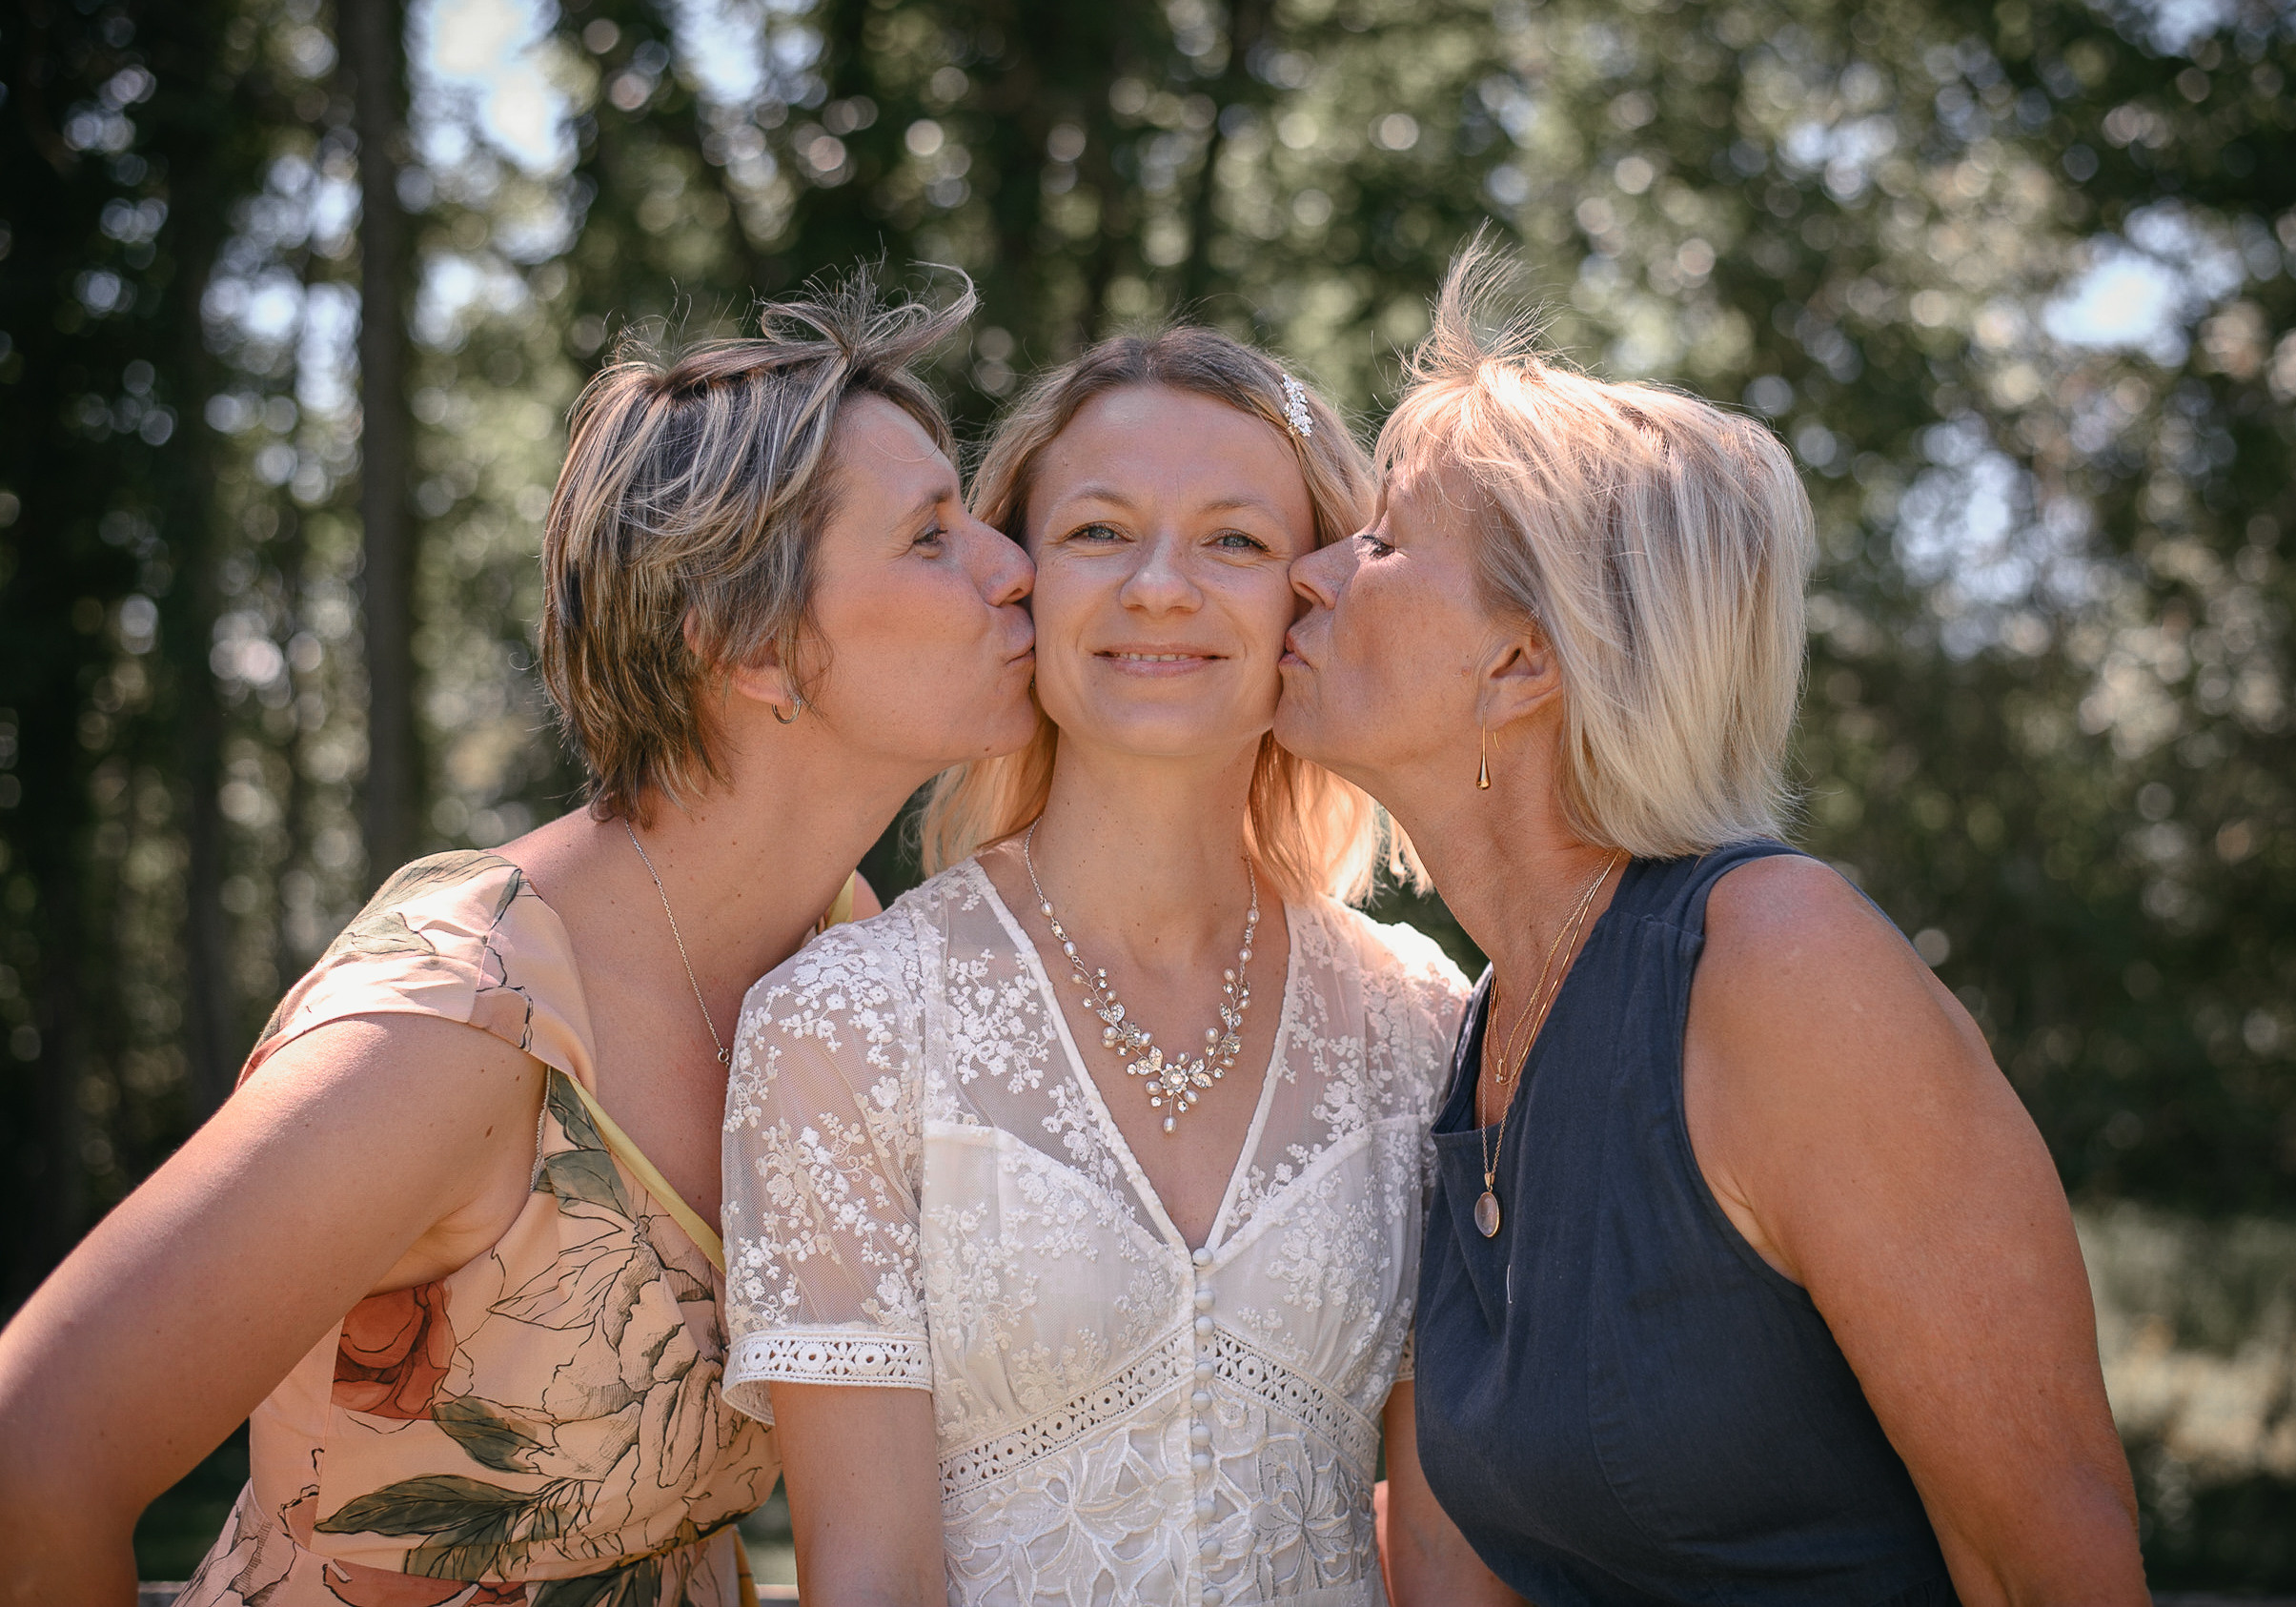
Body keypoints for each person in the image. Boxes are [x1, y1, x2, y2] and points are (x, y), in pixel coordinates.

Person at [0, 271, 1038, 1607]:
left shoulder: (838, 947)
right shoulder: (454, 1019)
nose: (1015, 567)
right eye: (931, 537)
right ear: (751, 645)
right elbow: (34, 1454)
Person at [1271, 238, 2148, 1607]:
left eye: (1379, 542)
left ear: (1522, 661)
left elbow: (2047, 1560)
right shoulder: (1481, 1020)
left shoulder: (1780, 966)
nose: (1311, 572)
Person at [717, 328, 1515, 1606]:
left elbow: (1442, 1553)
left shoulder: (1419, 1019)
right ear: (1019, 574)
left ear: (1315, 592)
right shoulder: (847, 1020)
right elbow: (867, 1575)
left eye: (1235, 541)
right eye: (1097, 530)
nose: (1159, 586)